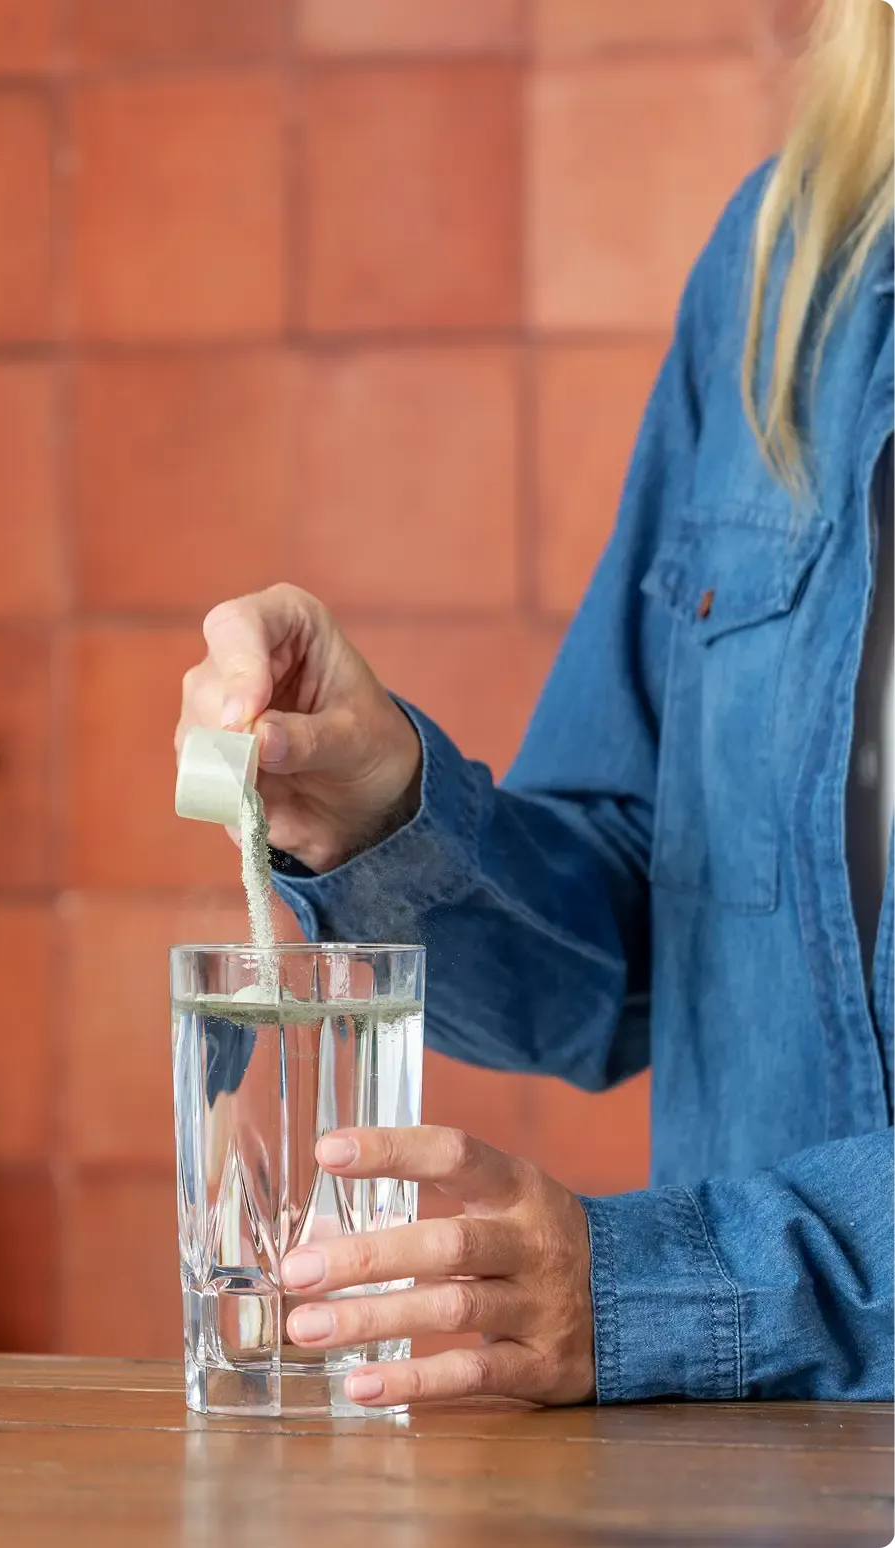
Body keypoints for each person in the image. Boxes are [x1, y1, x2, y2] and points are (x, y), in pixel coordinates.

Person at [175, 0, 894, 1407]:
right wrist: (383, 818)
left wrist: (679, 1286)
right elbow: (632, 951)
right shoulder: (786, 268)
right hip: (754, 1495)